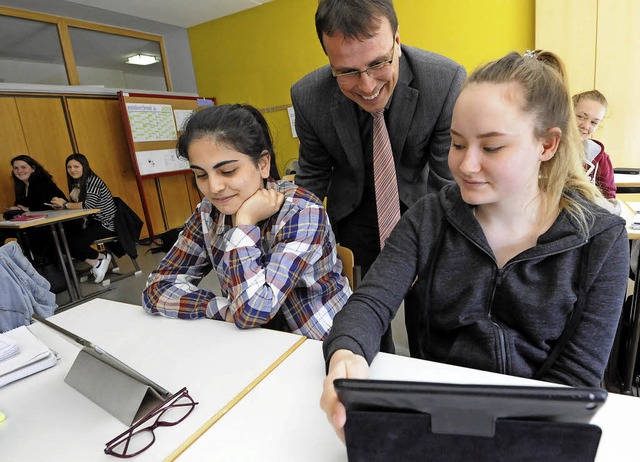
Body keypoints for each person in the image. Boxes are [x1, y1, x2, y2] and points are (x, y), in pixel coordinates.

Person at [320, 50, 629, 441]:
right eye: (458, 144)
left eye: (492, 147)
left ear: (547, 145)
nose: (466, 165)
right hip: (435, 416)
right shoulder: (429, 216)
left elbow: (577, 378)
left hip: (534, 429)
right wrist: (345, 355)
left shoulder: (602, 240)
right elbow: (370, 304)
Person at [142, 104, 351, 340]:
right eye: (200, 175)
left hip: (318, 342)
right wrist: (219, 308)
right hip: (249, 341)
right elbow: (156, 288)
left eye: (228, 171)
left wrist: (244, 223)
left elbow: (253, 311)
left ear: (262, 164)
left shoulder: (301, 211)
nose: (214, 187)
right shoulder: (209, 213)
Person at [291, 0, 466, 276]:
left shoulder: (443, 82)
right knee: (360, 305)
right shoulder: (308, 97)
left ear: (397, 41)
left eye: (378, 63)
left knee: (427, 305)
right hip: (352, 213)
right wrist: (293, 241)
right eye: (347, 71)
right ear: (329, 59)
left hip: (421, 207)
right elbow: (313, 175)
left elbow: (447, 181)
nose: (368, 86)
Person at [50, 153, 116, 284]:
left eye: (76, 166)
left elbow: (88, 205)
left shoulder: (93, 181)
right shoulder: (77, 183)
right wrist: (63, 207)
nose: (72, 170)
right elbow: (79, 206)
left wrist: (65, 204)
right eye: (69, 167)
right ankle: (99, 260)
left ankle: (100, 260)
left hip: (106, 223)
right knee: (62, 242)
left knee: (73, 243)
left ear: (84, 166)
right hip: (91, 222)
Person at [1, 155, 67, 256]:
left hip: (59, 223)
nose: (19, 171)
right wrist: (19, 208)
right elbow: (20, 204)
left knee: (30, 236)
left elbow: (45, 205)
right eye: (16, 168)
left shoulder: (41, 180)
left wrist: (27, 208)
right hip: (39, 222)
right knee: (3, 231)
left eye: (23, 167)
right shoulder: (21, 185)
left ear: (33, 168)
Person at [573, 90, 616, 199]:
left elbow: (610, 199)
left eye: (594, 122)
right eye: (581, 116)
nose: (586, 126)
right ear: (568, 113)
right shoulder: (546, 148)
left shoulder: (601, 159)